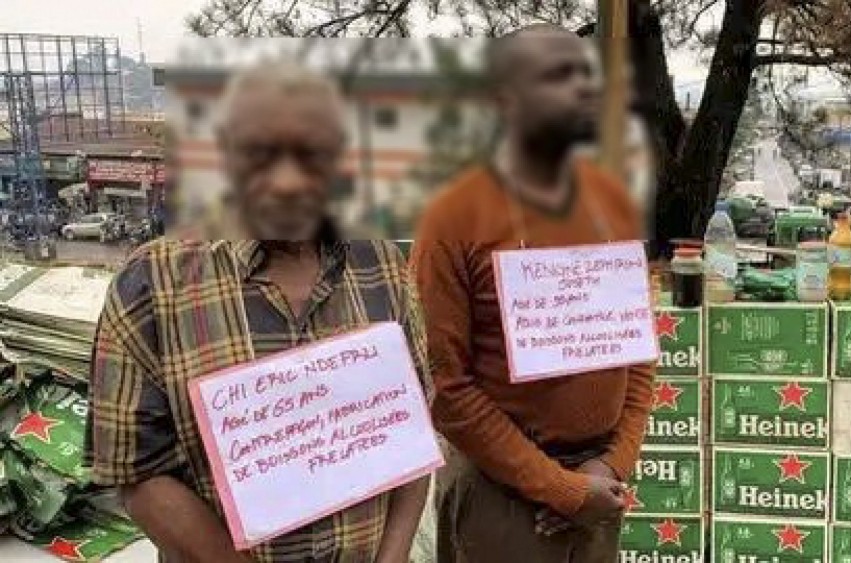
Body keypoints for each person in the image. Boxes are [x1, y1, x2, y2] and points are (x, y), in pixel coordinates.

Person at [85, 64, 431, 563]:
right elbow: (135, 473)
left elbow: (411, 435)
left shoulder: (381, 266)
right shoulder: (153, 284)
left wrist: (393, 556)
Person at [410, 24, 654, 563]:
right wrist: (556, 488)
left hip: (599, 485)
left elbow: (639, 358)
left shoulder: (610, 203)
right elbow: (449, 388)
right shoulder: (453, 217)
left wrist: (608, 468)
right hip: (502, 492)